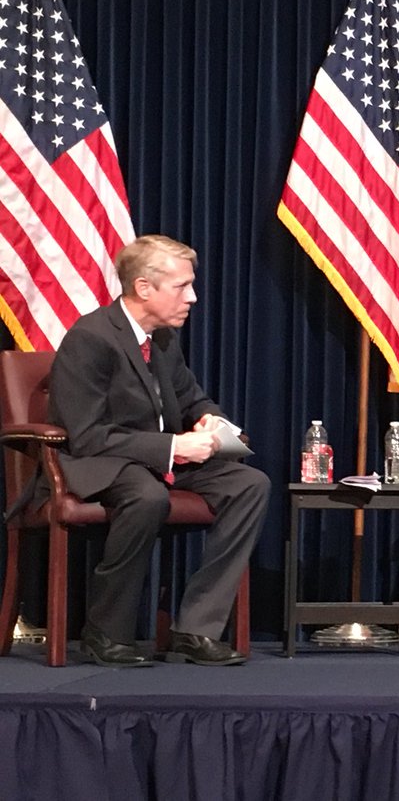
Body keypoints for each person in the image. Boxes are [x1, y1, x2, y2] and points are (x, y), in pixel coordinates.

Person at [43, 235, 269, 667]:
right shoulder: (90, 338)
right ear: (144, 288)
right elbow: (87, 435)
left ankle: (196, 628)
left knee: (249, 485)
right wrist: (172, 445)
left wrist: (211, 421)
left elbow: (192, 398)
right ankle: (105, 631)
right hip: (104, 461)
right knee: (148, 497)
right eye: (182, 286)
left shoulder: (162, 339)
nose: (193, 297)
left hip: (158, 459)